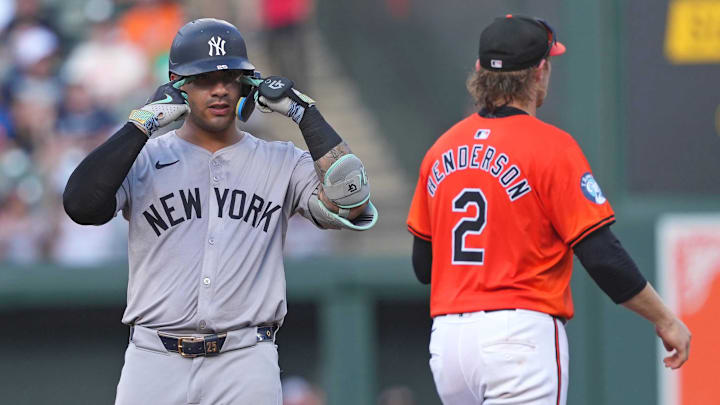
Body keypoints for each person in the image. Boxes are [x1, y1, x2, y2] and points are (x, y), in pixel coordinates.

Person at [63, 18, 376, 404]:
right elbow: (80, 204)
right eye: (204, 79)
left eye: (230, 78)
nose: (220, 90)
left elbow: (351, 198)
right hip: (153, 357)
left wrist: (305, 114)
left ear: (246, 83)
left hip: (244, 359)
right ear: (177, 84)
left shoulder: (280, 160)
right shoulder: (144, 158)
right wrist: (141, 124)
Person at [406, 15, 690, 405]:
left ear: (479, 71)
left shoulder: (440, 150)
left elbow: (424, 267)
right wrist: (665, 318)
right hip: (519, 337)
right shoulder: (551, 147)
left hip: (450, 346)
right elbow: (603, 257)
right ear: (540, 73)